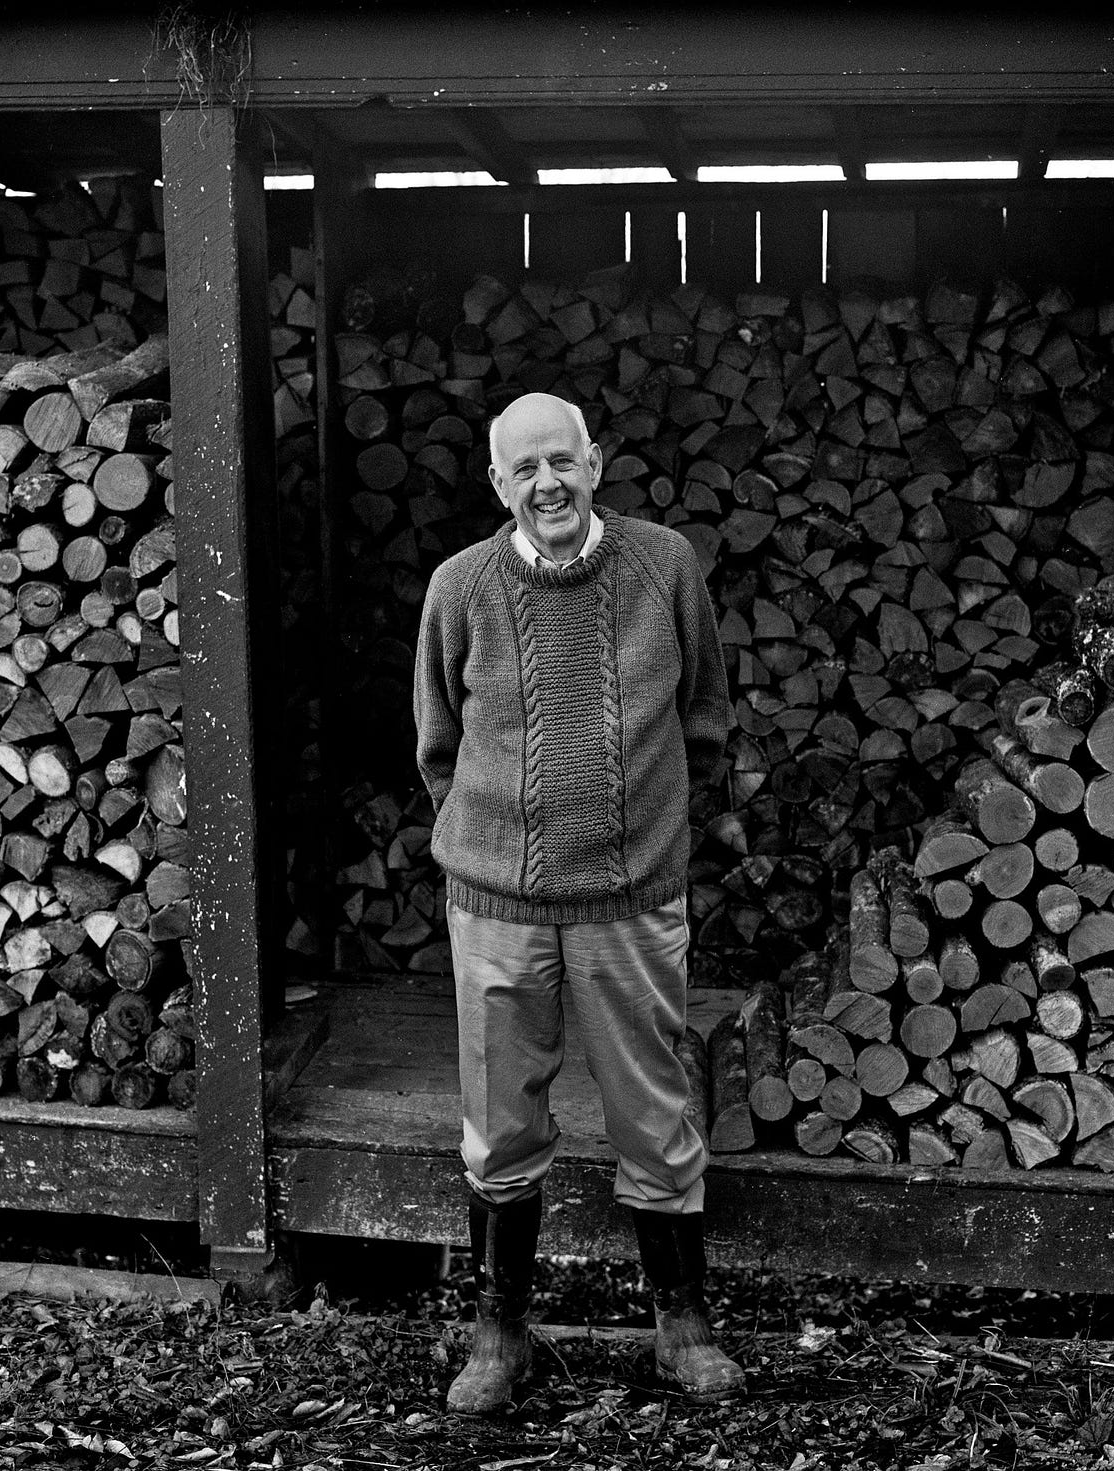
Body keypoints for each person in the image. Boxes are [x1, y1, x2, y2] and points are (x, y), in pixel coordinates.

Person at [413, 390, 745, 1413]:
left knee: (653, 1112)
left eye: (563, 461)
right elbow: (437, 745)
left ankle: (680, 1327)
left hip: (631, 899)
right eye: (525, 469)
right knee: (498, 1122)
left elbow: (705, 715)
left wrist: (660, 839)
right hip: (498, 904)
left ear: (596, 464)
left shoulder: (664, 565)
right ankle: (499, 1330)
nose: (547, 482)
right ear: (498, 484)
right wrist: (496, 849)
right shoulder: (460, 585)